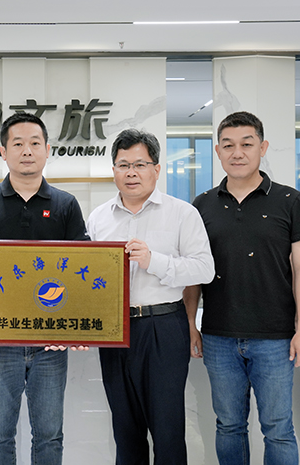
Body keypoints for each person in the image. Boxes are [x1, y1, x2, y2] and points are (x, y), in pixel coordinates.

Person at [186, 110, 300, 465]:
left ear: (263, 147)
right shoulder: (202, 205)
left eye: (246, 144)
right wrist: (190, 325)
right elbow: (193, 274)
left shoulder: (290, 201)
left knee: (278, 428)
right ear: (217, 151)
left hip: (275, 337)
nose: (237, 153)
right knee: (229, 426)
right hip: (219, 336)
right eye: (228, 145)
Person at [0, 112, 89, 465]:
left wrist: (75, 322)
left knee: (49, 435)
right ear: (4, 151)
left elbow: (81, 267)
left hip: (51, 340)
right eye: (18, 143)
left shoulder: (66, 204)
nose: (27, 151)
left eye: (35, 143)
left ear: (47, 149)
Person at [86, 129, 215, 464]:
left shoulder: (182, 213)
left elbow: (204, 269)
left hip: (163, 326)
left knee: (167, 428)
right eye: (123, 165)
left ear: (156, 169)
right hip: (114, 330)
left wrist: (153, 261)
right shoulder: (99, 217)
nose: (131, 173)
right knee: (125, 429)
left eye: (140, 164)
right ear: (113, 170)